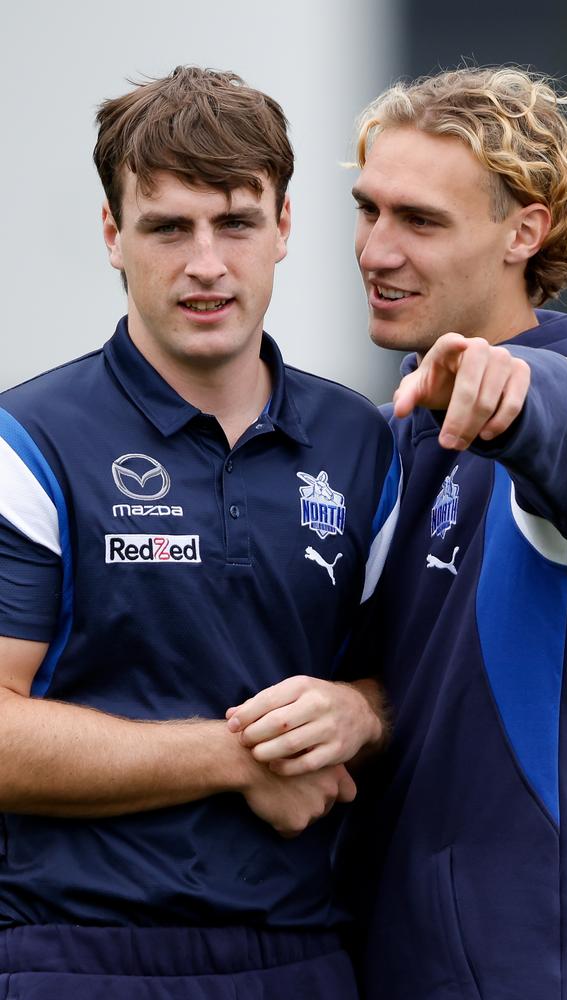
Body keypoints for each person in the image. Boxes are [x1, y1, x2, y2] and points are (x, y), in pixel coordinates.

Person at [0, 66, 400, 997]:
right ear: (113, 235)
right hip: (74, 953)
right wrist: (233, 759)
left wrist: (363, 713)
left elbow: (424, 689)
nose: (206, 264)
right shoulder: (30, 443)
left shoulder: (366, 445)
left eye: (235, 222)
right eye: (169, 227)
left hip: (305, 956)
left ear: (287, 228)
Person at [339, 66, 567, 1000]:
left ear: (526, 231)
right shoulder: (395, 431)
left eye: (421, 221)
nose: (376, 250)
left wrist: (520, 398)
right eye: (369, 210)